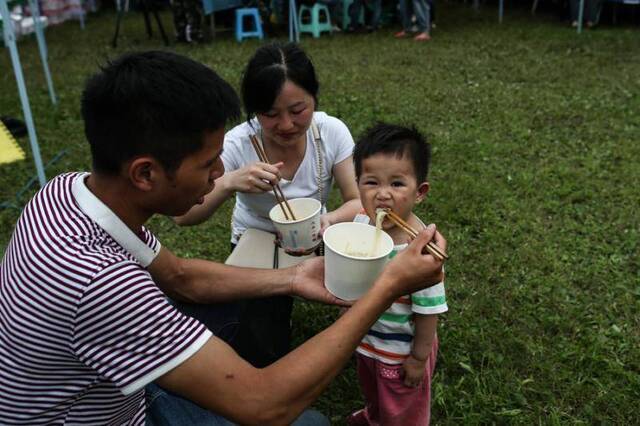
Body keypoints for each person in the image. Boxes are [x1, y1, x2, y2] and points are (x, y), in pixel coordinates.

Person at [0, 50, 447, 425]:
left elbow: (180, 277)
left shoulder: (67, 190)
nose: (219, 175)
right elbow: (263, 404)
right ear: (145, 173)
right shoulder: (101, 283)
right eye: (209, 164)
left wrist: (292, 278)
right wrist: (387, 285)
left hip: (113, 383)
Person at [175, 42, 362, 368]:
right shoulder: (236, 144)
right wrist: (229, 182)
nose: (286, 125)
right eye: (271, 114)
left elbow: (359, 200)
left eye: (298, 110)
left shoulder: (330, 133)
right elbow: (183, 215)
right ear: (254, 110)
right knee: (261, 351)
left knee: (368, 273)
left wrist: (328, 219)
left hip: (318, 234)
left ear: (314, 98)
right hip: (258, 243)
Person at [346, 123, 448, 425]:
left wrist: (418, 358)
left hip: (399, 352)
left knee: (402, 407)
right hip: (367, 341)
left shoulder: (421, 252)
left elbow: (428, 312)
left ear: (420, 192)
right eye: (371, 182)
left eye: (397, 184)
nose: (383, 195)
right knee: (373, 390)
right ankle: (374, 415)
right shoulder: (360, 227)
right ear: (358, 184)